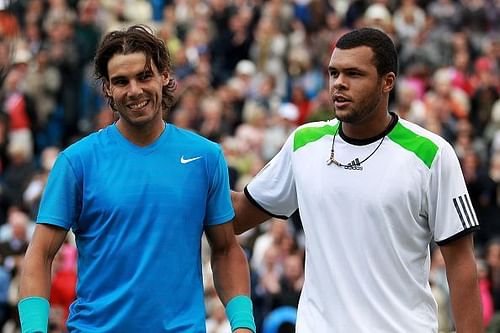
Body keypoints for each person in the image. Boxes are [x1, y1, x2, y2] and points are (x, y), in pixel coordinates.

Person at [231, 27, 483, 332]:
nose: (339, 83)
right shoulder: (304, 143)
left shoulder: (432, 153)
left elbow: (461, 264)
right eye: (333, 73)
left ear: (387, 82)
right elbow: (237, 215)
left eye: (353, 74)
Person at [18, 25, 255, 333]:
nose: (134, 90)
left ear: (165, 76)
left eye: (144, 76)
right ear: (107, 89)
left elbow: (225, 250)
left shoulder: (206, 157)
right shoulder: (76, 162)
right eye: (121, 81)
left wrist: (243, 325)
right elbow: (39, 254)